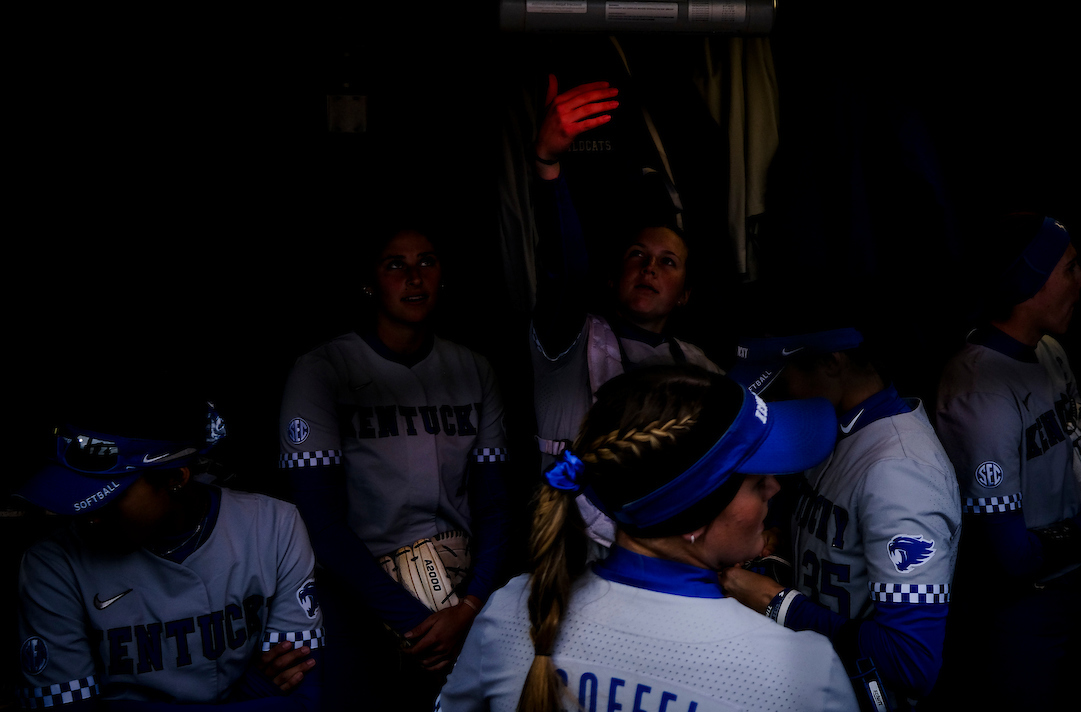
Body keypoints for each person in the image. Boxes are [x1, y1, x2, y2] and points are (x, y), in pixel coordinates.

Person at [439, 365, 858, 712]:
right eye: (756, 481)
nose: (775, 489)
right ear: (692, 517)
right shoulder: (801, 673)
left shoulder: (511, 611)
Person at [278, 224, 510, 710]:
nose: (413, 277)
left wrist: (469, 607)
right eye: (394, 265)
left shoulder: (474, 368)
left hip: (462, 587)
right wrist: (414, 621)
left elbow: (494, 503)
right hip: (357, 592)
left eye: (426, 261)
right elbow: (319, 521)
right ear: (369, 282)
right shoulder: (322, 369)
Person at [933, 214, 1081, 711]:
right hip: (1021, 617)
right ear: (1030, 281)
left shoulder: (1048, 350)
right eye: (1070, 269)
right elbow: (1012, 555)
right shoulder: (978, 392)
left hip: (1077, 585)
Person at [15, 400, 323, 710]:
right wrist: (251, 696)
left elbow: (303, 695)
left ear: (176, 477)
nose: (90, 515)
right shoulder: (52, 563)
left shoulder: (274, 524)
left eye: (108, 496)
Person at [719, 325, 961, 710]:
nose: (775, 397)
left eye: (781, 381)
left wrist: (777, 602)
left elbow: (911, 660)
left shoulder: (901, 472)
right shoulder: (838, 424)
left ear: (832, 363)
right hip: (812, 682)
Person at [530, 75, 721, 551]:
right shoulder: (569, 339)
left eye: (667, 262)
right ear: (612, 278)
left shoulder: (702, 369)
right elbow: (565, 272)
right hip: (573, 561)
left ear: (685, 295)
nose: (650, 268)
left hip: (665, 564)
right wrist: (548, 165)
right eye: (637, 255)